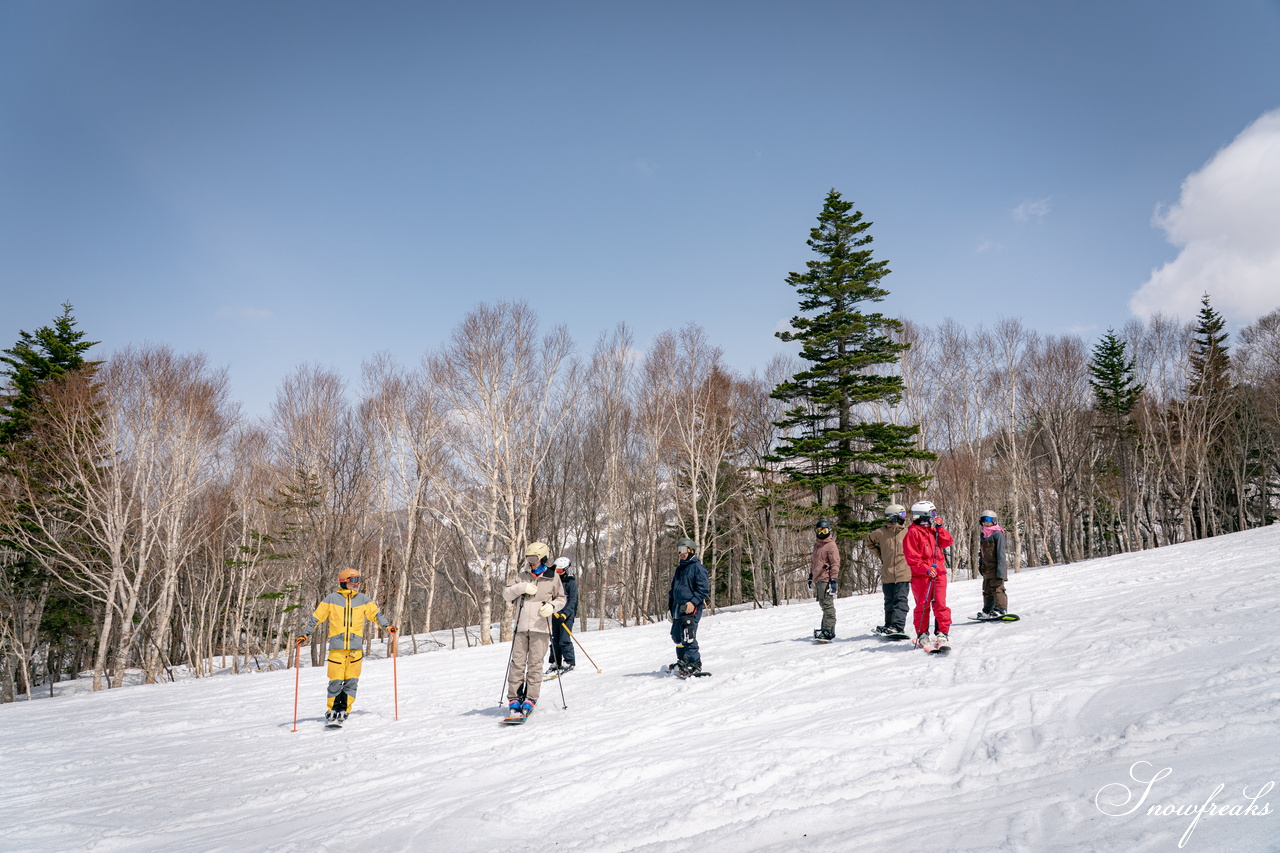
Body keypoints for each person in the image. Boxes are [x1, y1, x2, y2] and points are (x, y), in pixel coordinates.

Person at [297, 567, 395, 724]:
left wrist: (387, 627)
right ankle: (332, 709)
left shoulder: (363, 599)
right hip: (337, 648)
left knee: (352, 681)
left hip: (355, 649)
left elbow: (376, 615)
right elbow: (316, 617)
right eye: (353, 581)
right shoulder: (331, 599)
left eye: (359, 581)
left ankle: (345, 709)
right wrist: (306, 634)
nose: (357, 584)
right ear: (344, 582)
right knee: (335, 680)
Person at [501, 542, 566, 718]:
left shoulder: (553, 577)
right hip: (521, 627)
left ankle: (530, 698)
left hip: (541, 627)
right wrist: (521, 587)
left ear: (543, 558)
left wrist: (552, 606)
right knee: (517, 664)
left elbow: (562, 598)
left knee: (535, 665)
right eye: (528, 558)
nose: (531, 561)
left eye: (534, 558)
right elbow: (506, 594)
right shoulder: (522, 576)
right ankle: (514, 698)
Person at [902, 500, 954, 648]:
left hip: (939, 574)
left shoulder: (933, 531)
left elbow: (947, 542)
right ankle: (922, 634)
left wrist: (940, 528)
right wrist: (925, 569)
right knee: (922, 605)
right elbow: (912, 558)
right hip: (921, 577)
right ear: (923, 515)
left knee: (940, 604)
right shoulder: (912, 533)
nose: (934, 516)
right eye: (932, 513)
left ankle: (942, 632)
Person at [668, 537, 710, 675]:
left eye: (683, 550)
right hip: (677, 607)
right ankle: (683, 660)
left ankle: (694, 663)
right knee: (677, 636)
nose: (680, 553)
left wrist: (693, 602)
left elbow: (703, 589)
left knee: (688, 636)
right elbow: (673, 590)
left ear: (691, 550)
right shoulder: (680, 569)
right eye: (679, 550)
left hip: (691, 608)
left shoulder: (697, 567)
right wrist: (670, 607)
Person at [867, 504, 911, 635]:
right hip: (888, 573)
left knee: (900, 600)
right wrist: (882, 555)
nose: (904, 518)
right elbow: (869, 542)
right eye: (902, 515)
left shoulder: (907, 532)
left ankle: (898, 626)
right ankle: (889, 624)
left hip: (903, 573)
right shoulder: (881, 532)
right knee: (889, 601)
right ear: (894, 517)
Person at [546, 556, 578, 675]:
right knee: (555, 640)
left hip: (566, 616)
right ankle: (555, 662)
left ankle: (569, 661)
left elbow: (572, 601)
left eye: (560, 571)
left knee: (564, 639)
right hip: (555, 614)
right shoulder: (553, 582)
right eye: (557, 571)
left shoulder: (571, 583)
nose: (558, 573)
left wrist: (565, 614)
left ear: (566, 570)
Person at [809, 518, 840, 640]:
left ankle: (829, 630)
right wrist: (810, 577)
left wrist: (833, 580)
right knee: (823, 604)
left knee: (827, 605)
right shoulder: (817, 545)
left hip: (826, 578)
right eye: (819, 531)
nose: (822, 533)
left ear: (829, 530)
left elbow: (835, 563)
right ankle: (825, 628)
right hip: (818, 579)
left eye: (824, 531)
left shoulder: (831, 545)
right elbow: (813, 563)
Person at [977, 510, 1009, 618]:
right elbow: (982, 552)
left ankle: (1001, 609)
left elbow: (1001, 553)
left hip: (996, 567)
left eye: (988, 520)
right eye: (983, 520)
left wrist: (1001, 571)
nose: (986, 522)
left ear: (994, 521)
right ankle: (987, 610)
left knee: (997, 588)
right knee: (987, 590)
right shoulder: (983, 534)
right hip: (987, 568)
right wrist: (981, 564)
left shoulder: (997, 534)